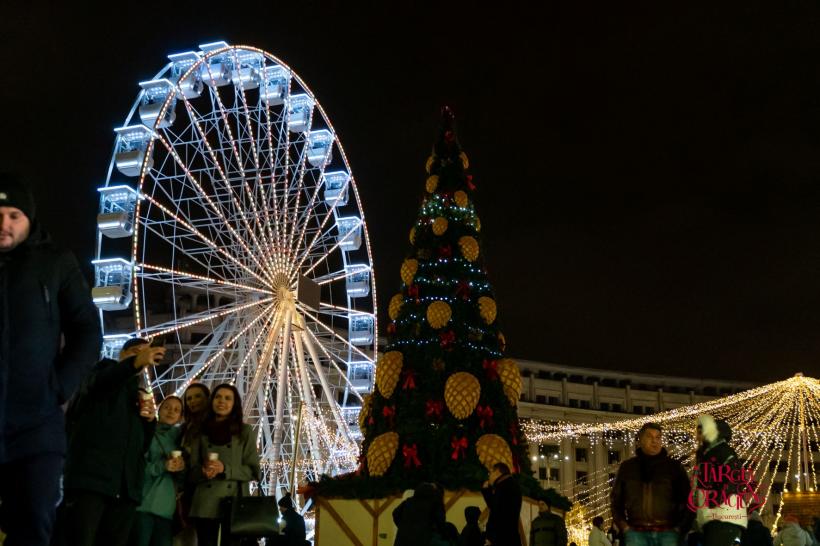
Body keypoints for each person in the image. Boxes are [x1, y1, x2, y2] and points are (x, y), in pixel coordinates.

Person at [0, 173, 101, 546]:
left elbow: (88, 331)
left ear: (29, 219)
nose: (4, 224)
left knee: (34, 523)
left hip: (36, 423)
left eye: (14, 215)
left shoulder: (55, 263)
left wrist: (60, 386)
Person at [61, 338, 166, 546]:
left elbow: (140, 447)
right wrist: (134, 363)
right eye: (136, 352)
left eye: (145, 355)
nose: (142, 359)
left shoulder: (137, 395)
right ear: (122, 355)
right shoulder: (99, 373)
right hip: (92, 483)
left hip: (124, 491)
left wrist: (149, 422)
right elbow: (101, 383)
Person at [187, 384, 260, 546]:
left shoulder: (245, 431)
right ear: (211, 401)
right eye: (218, 397)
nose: (222, 401)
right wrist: (202, 472)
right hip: (205, 505)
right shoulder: (200, 431)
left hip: (234, 504)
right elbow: (191, 472)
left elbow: (254, 471)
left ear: (235, 404)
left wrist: (225, 469)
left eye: (228, 398)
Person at [611, 422, 691, 546]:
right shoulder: (628, 467)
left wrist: (680, 527)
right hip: (635, 532)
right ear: (640, 440)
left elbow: (688, 499)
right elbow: (616, 499)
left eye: (658, 437)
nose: (654, 441)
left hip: (668, 532)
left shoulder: (674, 467)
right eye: (649, 437)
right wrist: (624, 526)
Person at [135, 396, 186, 546]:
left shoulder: (181, 440)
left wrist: (181, 468)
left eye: (176, 410)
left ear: (180, 417)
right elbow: (137, 468)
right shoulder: (147, 432)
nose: (171, 412)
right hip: (143, 506)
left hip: (166, 511)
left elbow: (181, 481)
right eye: (167, 407)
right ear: (159, 409)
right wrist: (163, 466)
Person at [693, 415, 747, 546]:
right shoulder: (710, 453)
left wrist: (712, 503)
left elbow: (733, 480)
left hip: (722, 516)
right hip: (716, 516)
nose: (699, 436)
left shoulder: (721, 452)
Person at [175, 382, 211, 543]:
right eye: (189, 398)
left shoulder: (214, 426)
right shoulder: (184, 429)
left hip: (204, 490)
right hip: (184, 491)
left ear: (207, 398)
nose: (193, 401)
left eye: (198, 396)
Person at [481, 462, 522, 546]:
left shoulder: (504, 487)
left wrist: (491, 538)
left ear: (497, 472)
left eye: (490, 473)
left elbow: (497, 513)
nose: (489, 476)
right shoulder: (509, 484)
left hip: (503, 540)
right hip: (509, 538)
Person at [392, 482, 446, 546]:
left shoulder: (408, 501)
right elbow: (440, 522)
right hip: (422, 540)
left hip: (402, 540)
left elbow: (395, 513)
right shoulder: (435, 502)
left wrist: (404, 527)